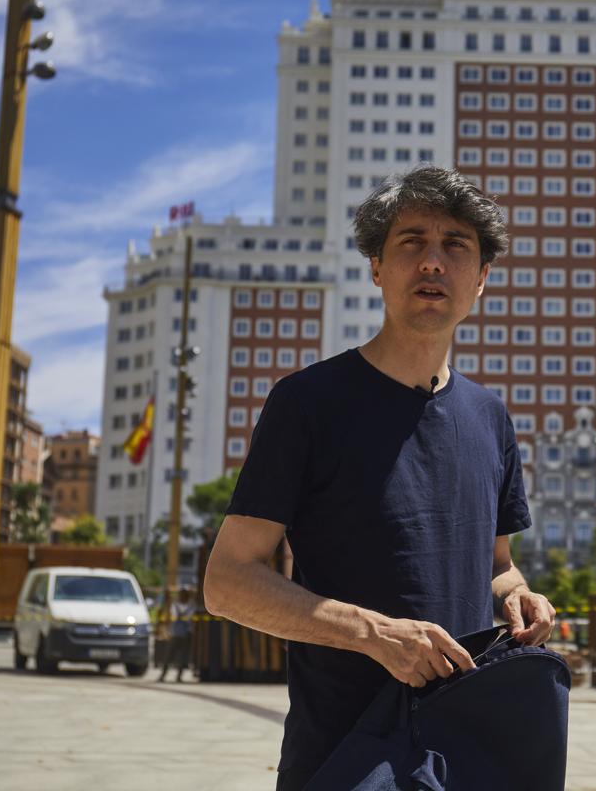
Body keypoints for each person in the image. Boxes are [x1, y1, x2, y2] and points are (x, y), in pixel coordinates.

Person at [203, 166, 557, 791]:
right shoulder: (307, 403)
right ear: (377, 268)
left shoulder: (491, 419)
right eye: (411, 242)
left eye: (455, 246)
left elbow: (498, 563)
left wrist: (516, 596)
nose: (432, 262)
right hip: (343, 756)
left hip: (470, 755)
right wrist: (377, 634)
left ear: (481, 279)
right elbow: (228, 582)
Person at [158, 587, 194, 683]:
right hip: (185, 634)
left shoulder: (175, 605)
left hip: (176, 634)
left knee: (169, 656)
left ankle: (163, 676)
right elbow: (191, 620)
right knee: (181, 657)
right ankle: (178, 677)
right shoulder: (191, 606)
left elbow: (171, 618)